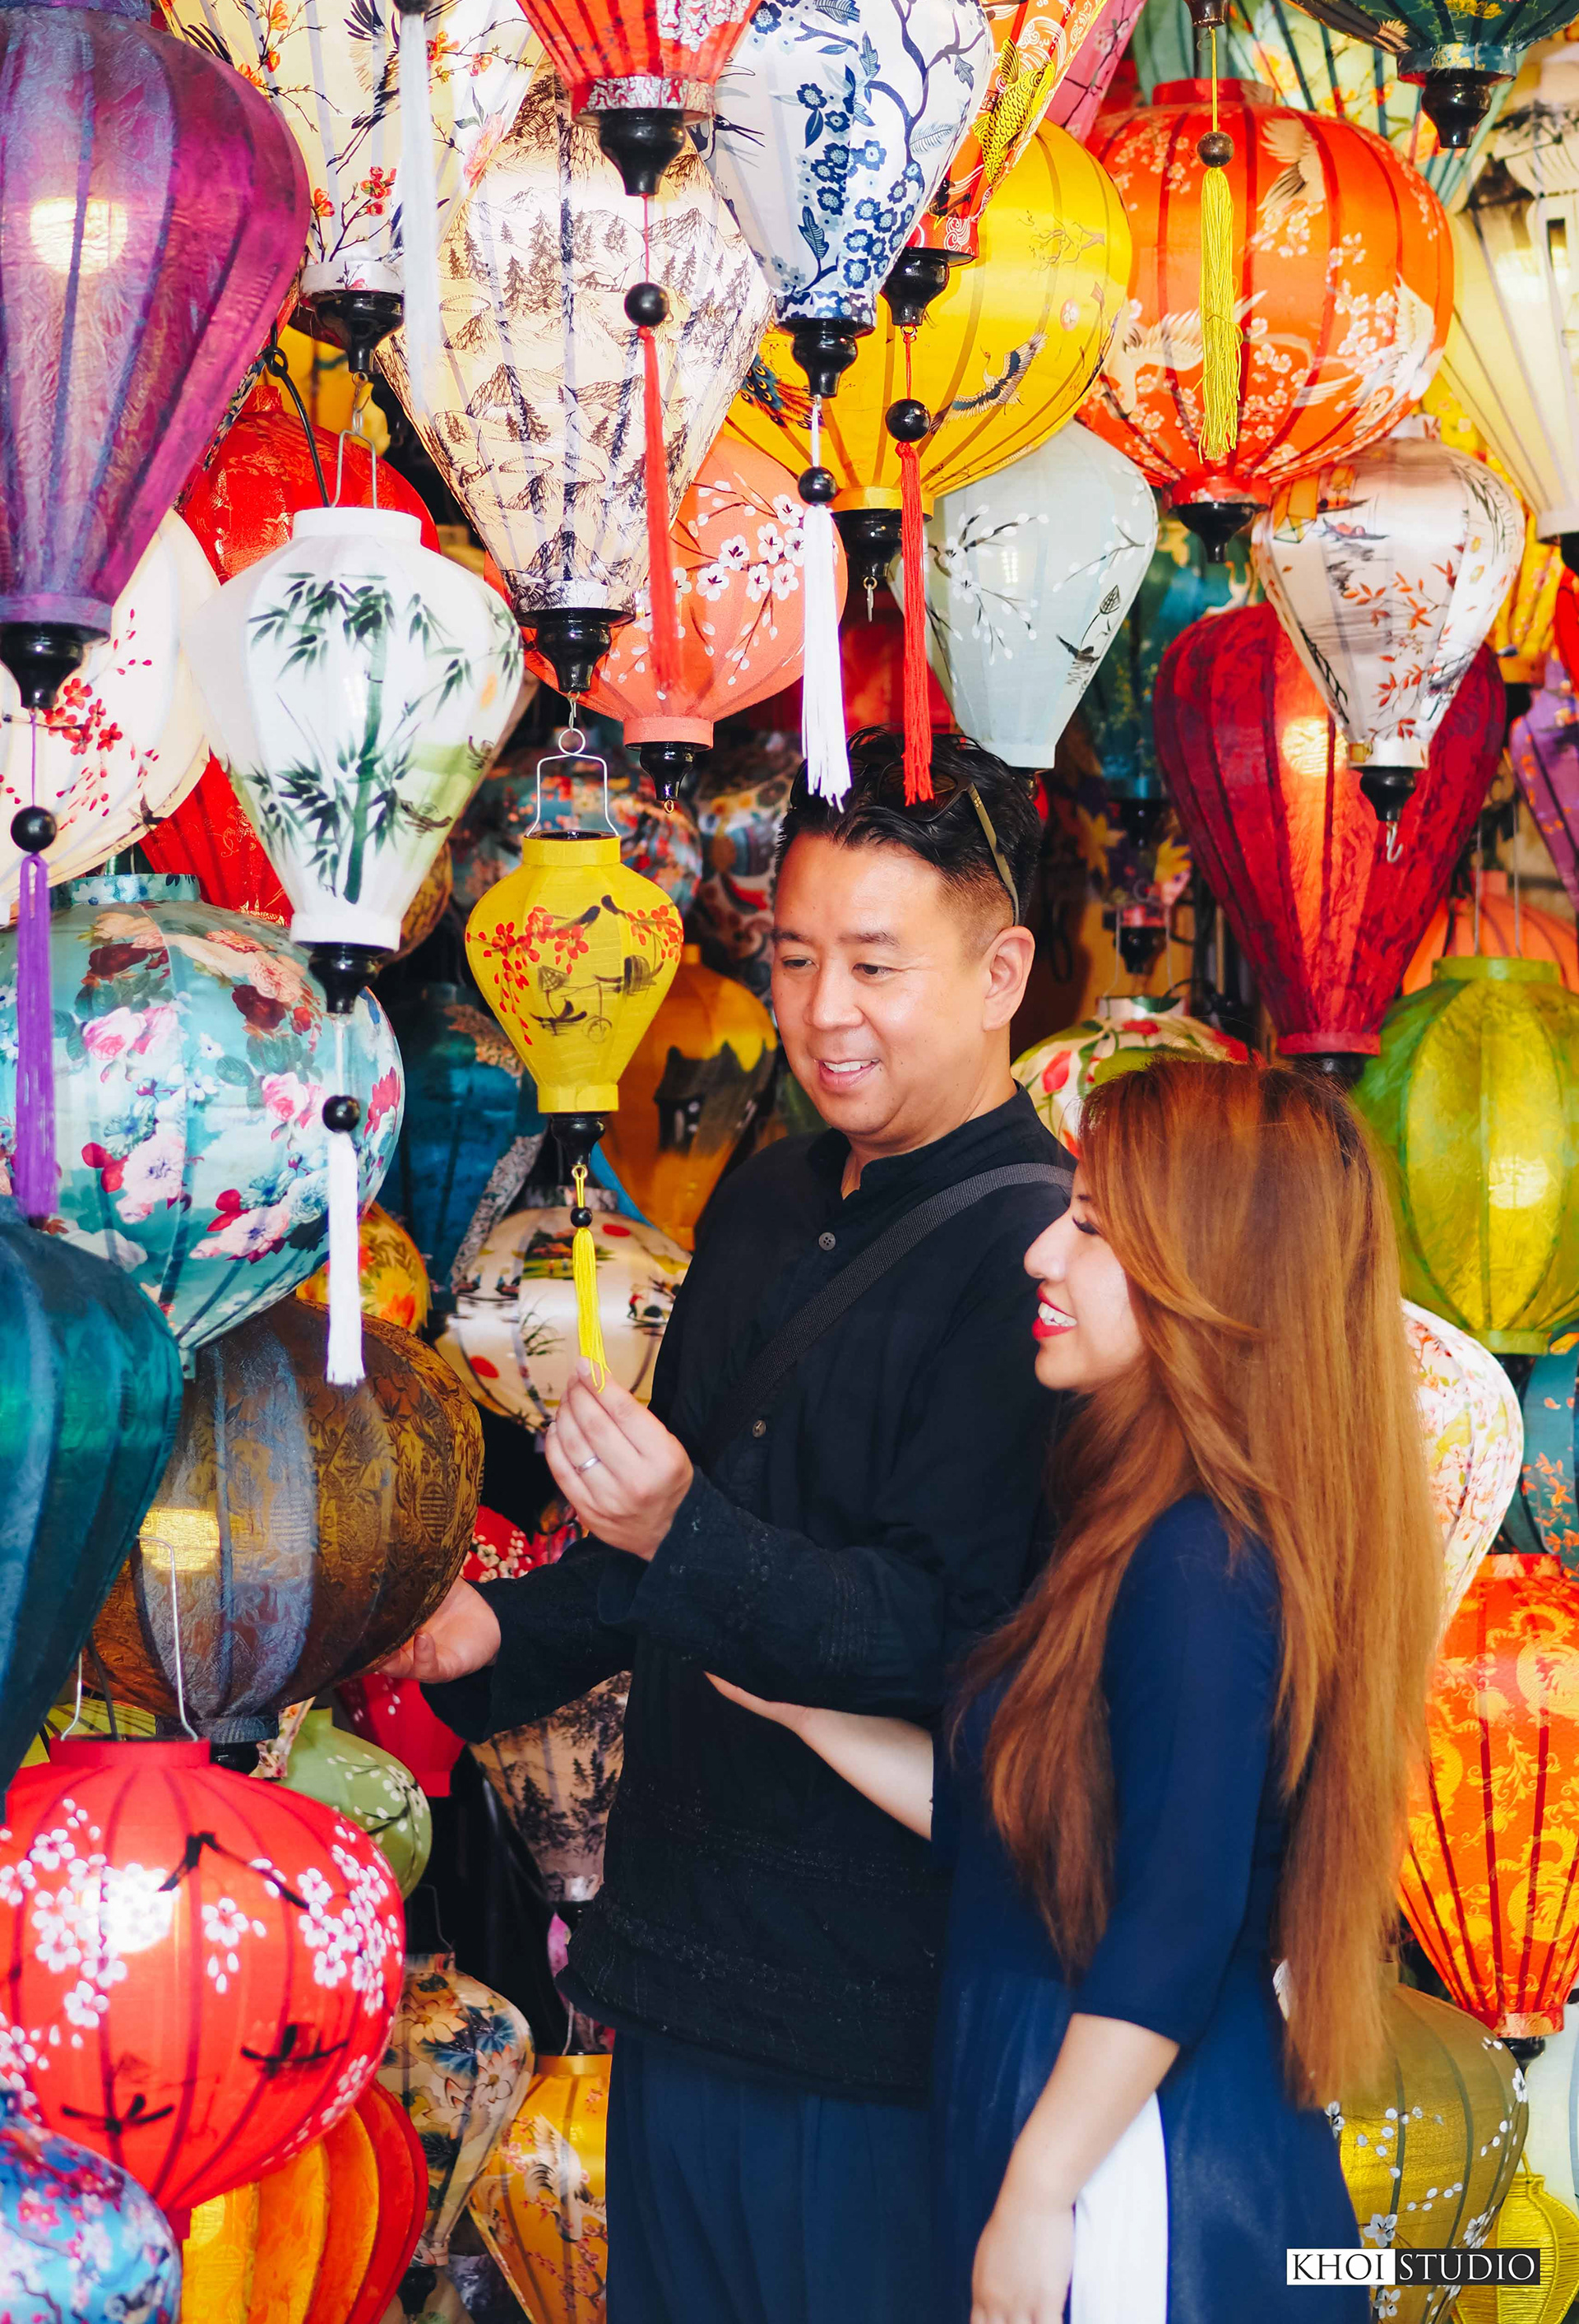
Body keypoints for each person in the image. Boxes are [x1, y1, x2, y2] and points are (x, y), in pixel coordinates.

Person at [383, 730, 1073, 2324]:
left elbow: (959, 1641)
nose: (826, 1013)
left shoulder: (1039, 1262)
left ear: (1002, 971)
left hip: (870, 2019)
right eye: (795, 959)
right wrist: (491, 1636)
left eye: (878, 966)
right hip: (681, 1967)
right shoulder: (764, 1202)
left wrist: (687, 1527)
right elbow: (655, 1559)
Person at [712, 1056, 1442, 2324]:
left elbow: (1175, 1916)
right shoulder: (1151, 1525)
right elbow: (1027, 1825)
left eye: (1093, 1228)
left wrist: (1040, 2190)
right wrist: (797, 1711)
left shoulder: (1199, 1562)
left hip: (1132, 2159)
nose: (1043, 1253)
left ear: (1211, 1274)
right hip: (1085, 2107)